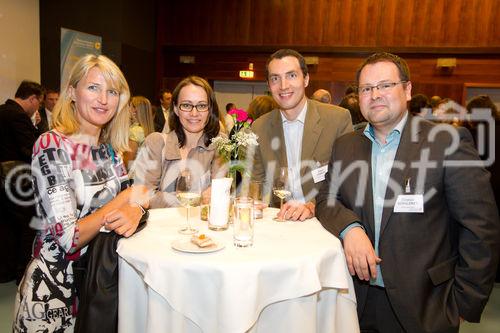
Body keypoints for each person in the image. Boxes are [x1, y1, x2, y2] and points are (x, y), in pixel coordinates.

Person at [316, 52, 500, 332]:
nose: (375, 94)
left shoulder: (446, 143)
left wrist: (464, 303)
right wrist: (349, 228)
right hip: (355, 299)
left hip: (425, 306)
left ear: (408, 89)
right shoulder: (346, 146)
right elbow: (326, 200)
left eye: (385, 85)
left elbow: (481, 227)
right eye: (366, 88)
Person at [13, 54, 149, 332]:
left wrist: (137, 207)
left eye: (112, 91)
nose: (103, 99)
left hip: (97, 282)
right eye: (93, 88)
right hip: (54, 291)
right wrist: (124, 201)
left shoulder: (108, 150)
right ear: (73, 92)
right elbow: (69, 237)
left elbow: (139, 194)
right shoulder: (52, 145)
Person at [251, 49, 353, 221]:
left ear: (305, 79)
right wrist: (254, 201)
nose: (283, 86)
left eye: (291, 76)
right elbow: (257, 183)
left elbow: (347, 179)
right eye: (275, 78)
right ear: (269, 85)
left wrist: (314, 205)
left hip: (323, 220)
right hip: (279, 220)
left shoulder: (337, 120)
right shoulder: (259, 127)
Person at [133, 76, 226, 208]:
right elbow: (142, 195)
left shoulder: (220, 145)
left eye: (201, 105)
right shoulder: (156, 143)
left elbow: (222, 191)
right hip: (161, 226)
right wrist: (195, 199)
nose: (194, 113)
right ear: (176, 109)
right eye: (186, 105)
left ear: (210, 109)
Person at [0, 80, 43, 284]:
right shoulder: (18, 116)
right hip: (18, 181)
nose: (37, 108)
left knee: (6, 227)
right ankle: (22, 273)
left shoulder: (2, 110)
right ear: (33, 98)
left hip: (4, 180)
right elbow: (31, 150)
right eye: (39, 103)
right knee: (28, 226)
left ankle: (5, 271)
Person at [123, 96, 155, 168]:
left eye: (129, 106)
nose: (127, 109)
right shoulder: (147, 129)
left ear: (134, 111)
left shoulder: (134, 131)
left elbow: (128, 161)